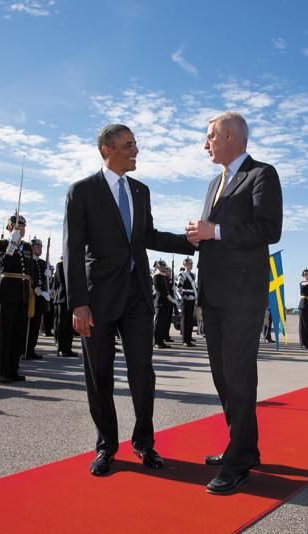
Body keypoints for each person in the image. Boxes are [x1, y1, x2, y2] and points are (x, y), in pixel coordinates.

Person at [63, 123, 194, 476]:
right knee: (99, 375)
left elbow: (147, 235)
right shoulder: (82, 191)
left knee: (143, 374)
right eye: (128, 145)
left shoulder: (140, 190)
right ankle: (106, 446)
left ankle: (144, 443)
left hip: (137, 294)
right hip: (97, 298)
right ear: (107, 149)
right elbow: (72, 250)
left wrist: (191, 241)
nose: (136, 150)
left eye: (136, 144)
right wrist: (78, 302)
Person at [186, 111, 283, 495]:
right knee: (223, 377)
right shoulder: (215, 182)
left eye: (210, 136)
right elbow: (214, 235)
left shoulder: (262, 175)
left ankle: (239, 463)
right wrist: (200, 236)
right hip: (213, 295)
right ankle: (242, 445)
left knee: (239, 377)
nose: (205, 143)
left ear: (230, 136)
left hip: (243, 297)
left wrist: (216, 230)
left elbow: (268, 229)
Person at [0, 214, 36, 383]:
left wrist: (33, 287)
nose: (21, 229)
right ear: (9, 228)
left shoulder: (27, 247)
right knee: (7, 334)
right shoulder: (1, 244)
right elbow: (4, 265)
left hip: (23, 293)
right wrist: (12, 244)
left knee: (18, 335)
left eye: (23, 226)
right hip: (7, 293)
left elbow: (30, 270)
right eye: (18, 226)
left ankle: (14, 370)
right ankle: (3, 372)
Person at [25, 237, 50, 360]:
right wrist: (37, 290)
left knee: (36, 326)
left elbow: (45, 282)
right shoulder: (28, 261)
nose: (40, 249)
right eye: (37, 247)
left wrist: (47, 289)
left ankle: (31, 349)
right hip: (31, 297)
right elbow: (28, 278)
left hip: (40, 299)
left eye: (41, 247)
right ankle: (24, 349)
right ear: (32, 247)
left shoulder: (43, 263)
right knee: (28, 325)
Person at [52, 256, 76, 357]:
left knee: (69, 325)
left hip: (72, 298)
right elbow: (62, 280)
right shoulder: (60, 264)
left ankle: (68, 348)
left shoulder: (75, 264)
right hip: (62, 298)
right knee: (62, 324)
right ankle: (61, 348)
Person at [175, 257, 197, 347]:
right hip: (186, 298)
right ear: (184, 265)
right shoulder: (182, 274)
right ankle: (185, 340)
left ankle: (189, 337)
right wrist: (185, 296)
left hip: (192, 298)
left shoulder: (192, 275)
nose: (190, 265)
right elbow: (179, 288)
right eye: (188, 264)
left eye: (191, 264)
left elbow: (194, 288)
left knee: (190, 319)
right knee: (185, 320)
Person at [152, 260, 172, 348]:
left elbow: (168, 289)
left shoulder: (165, 277)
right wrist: (169, 298)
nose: (164, 267)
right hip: (160, 301)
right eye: (162, 266)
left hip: (165, 302)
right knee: (158, 323)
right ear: (157, 267)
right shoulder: (156, 276)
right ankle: (156, 341)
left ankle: (161, 341)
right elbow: (160, 290)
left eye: (164, 266)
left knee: (163, 323)